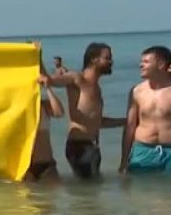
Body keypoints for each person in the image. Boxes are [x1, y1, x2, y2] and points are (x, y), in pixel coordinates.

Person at [44, 42, 126, 179]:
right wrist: (39, 61)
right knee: (90, 192)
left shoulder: (95, 87)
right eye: (107, 58)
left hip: (91, 147)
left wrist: (127, 121)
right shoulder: (77, 79)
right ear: (94, 59)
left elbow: (96, 122)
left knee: (91, 193)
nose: (111, 62)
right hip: (79, 147)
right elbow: (51, 80)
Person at [120, 46, 171, 174]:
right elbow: (130, 126)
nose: (140, 65)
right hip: (143, 151)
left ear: (160, 64)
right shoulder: (137, 91)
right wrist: (124, 160)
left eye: (146, 62)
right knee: (140, 191)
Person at [27, 44, 65, 182]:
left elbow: (60, 113)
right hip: (25, 167)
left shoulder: (43, 105)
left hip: (46, 164)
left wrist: (48, 89)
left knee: (50, 203)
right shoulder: (15, 109)